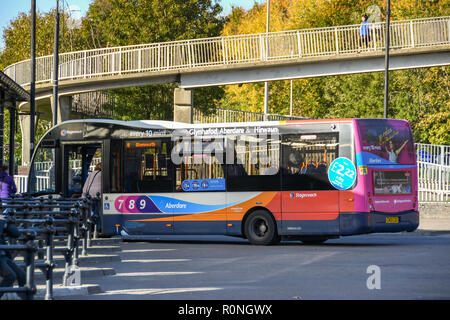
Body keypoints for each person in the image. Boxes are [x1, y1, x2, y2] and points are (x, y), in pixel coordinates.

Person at [0, 212, 26, 300]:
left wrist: (7, 225)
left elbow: (16, 234)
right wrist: (1, 222)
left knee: (22, 275)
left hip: (3, 255)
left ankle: (23, 298)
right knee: (11, 276)